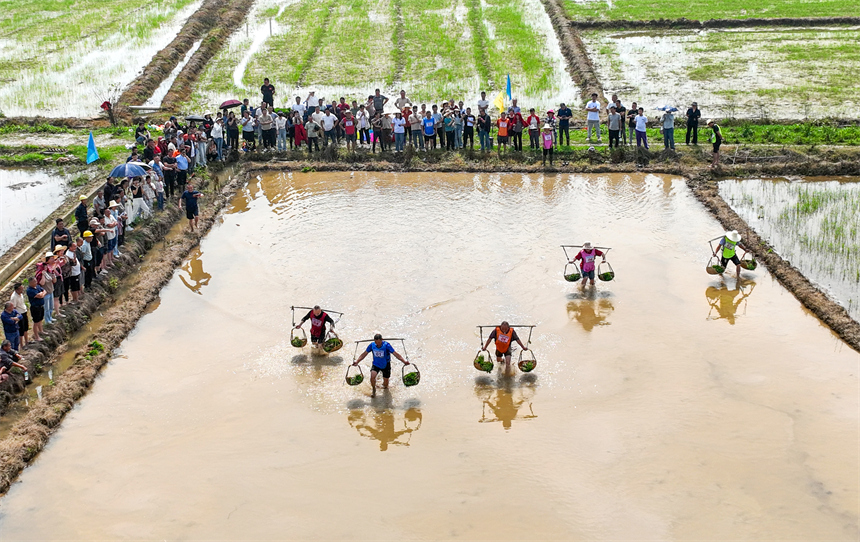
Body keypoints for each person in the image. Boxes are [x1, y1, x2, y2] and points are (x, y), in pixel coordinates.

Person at [25, 278, 45, 342]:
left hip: (40, 306)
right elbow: (39, 296)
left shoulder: (37, 286)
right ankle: (36, 336)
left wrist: (42, 293)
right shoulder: (29, 290)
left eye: (36, 281)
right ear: (30, 283)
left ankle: (41, 331)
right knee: (36, 322)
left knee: (40, 319)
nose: (36, 282)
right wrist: (42, 294)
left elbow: (44, 291)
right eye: (34, 282)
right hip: (35, 307)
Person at [10, 283, 29, 348]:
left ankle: (27, 342)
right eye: (21, 289)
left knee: (26, 328)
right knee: (21, 330)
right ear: (17, 290)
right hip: (19, 314)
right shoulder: (14, 297)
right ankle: (22, 345)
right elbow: (14, 308)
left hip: (24, 311)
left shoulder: (21, 294)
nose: (22, 290)